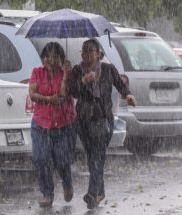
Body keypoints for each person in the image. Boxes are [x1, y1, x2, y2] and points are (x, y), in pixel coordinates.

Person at [68, 39, 136, 209]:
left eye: (91, 51)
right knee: (92, 158)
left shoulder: (107, 69)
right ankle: (100, 192)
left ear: (98, 53)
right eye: (84, 52)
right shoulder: (77, 70)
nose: (87, 55)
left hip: (103, 119)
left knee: (98, 156)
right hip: (83, 121)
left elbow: (121, 85)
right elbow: (73, 92)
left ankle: (92, 193)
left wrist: (128, 95)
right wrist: (82, 81)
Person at [29, 42, 76, 208]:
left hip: (63, 124)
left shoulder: (67, 74)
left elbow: (64, 95)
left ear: (61, 58)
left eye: (55, 56)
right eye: (47, 56)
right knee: (41, 159)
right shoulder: (37, 72)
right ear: (43, 58)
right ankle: (47, 193)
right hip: (41, 124)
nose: (50, 59)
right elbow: (33, 95)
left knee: (62, 160)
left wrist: (65, 76)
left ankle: (67, 182)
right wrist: (49, 100)